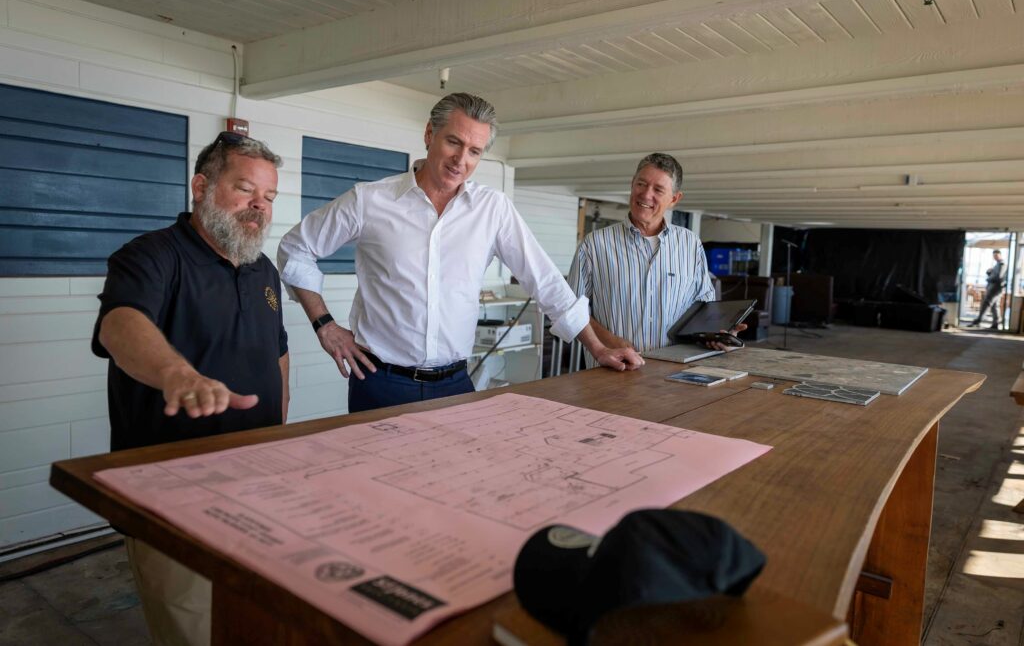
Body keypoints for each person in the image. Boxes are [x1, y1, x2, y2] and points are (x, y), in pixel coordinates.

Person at [278, 92, 642, 412]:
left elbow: (545, 281)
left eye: (474, 151)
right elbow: (295, 249)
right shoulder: (369, 200)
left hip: (455, 385)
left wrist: (597, 348)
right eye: (453, 142)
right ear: (429, 134)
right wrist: (325, 326)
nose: (460, 160)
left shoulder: (493, 209)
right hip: (380, 383)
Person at [91, 131, 288, 646]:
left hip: (256, 478)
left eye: (268, 196)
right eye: (245, 189)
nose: (259, 206)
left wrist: (280, 426)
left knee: (254, 613)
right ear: (201, 187)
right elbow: (120, 324)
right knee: (192, 624)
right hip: (172, 488)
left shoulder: (263, 269)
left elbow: (277, 352)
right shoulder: (151, 256)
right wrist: (177, 373)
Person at [568, 153, 740, 366]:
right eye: (641, 184)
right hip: (614, 369)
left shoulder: (690, 244)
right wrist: (607, 341)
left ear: (674, 199)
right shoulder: (594, 244)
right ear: (632, 185)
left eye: (658, 189)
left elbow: (705, 307)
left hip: (674, 371)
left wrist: (720, 332)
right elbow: (572, 308)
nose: (646, 194)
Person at [969, 249, 1006, 329]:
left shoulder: (1002, 264)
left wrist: (989, 278)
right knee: (994, 306)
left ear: (1000, 255)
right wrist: (990, 272)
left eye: (996, 255)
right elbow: (996, 275)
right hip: (996, 287)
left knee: (986, 303)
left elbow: (999, 276)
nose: (995, 257)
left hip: (995, 288)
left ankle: (978, 320)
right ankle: (996, 323)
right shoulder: (998, 264)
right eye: (994, 256)